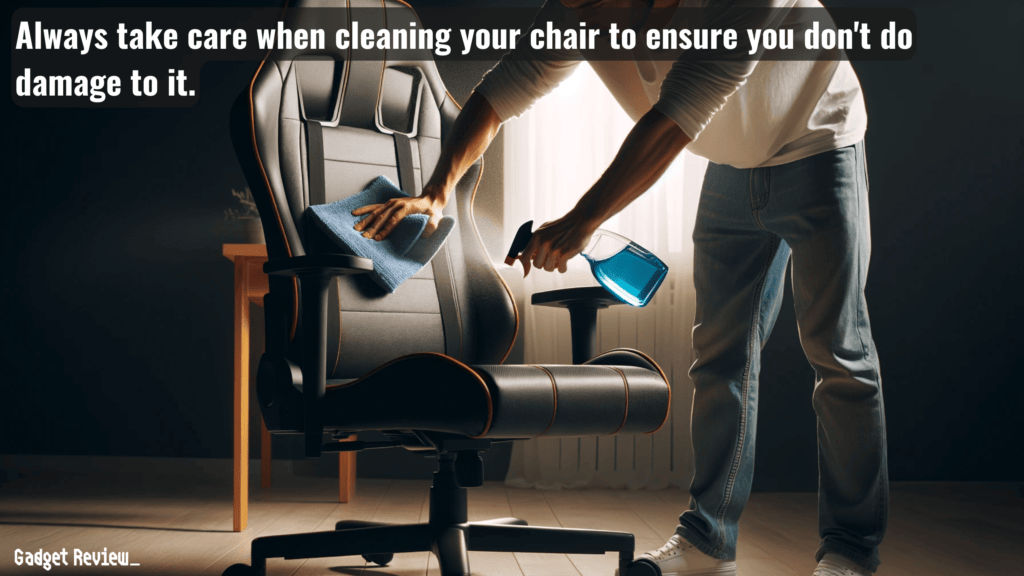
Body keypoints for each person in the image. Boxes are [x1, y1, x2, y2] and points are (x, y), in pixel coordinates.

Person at [352, 1, 888, 574]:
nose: (573, 11)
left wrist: (581, 221)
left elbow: (672, 121)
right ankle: (708, 540)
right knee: (720, 357)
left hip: (816, 141)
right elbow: (503, 89)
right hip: (732, 164)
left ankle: (849, 550)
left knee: (838, 354)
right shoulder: (583, 6)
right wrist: (437, 189)